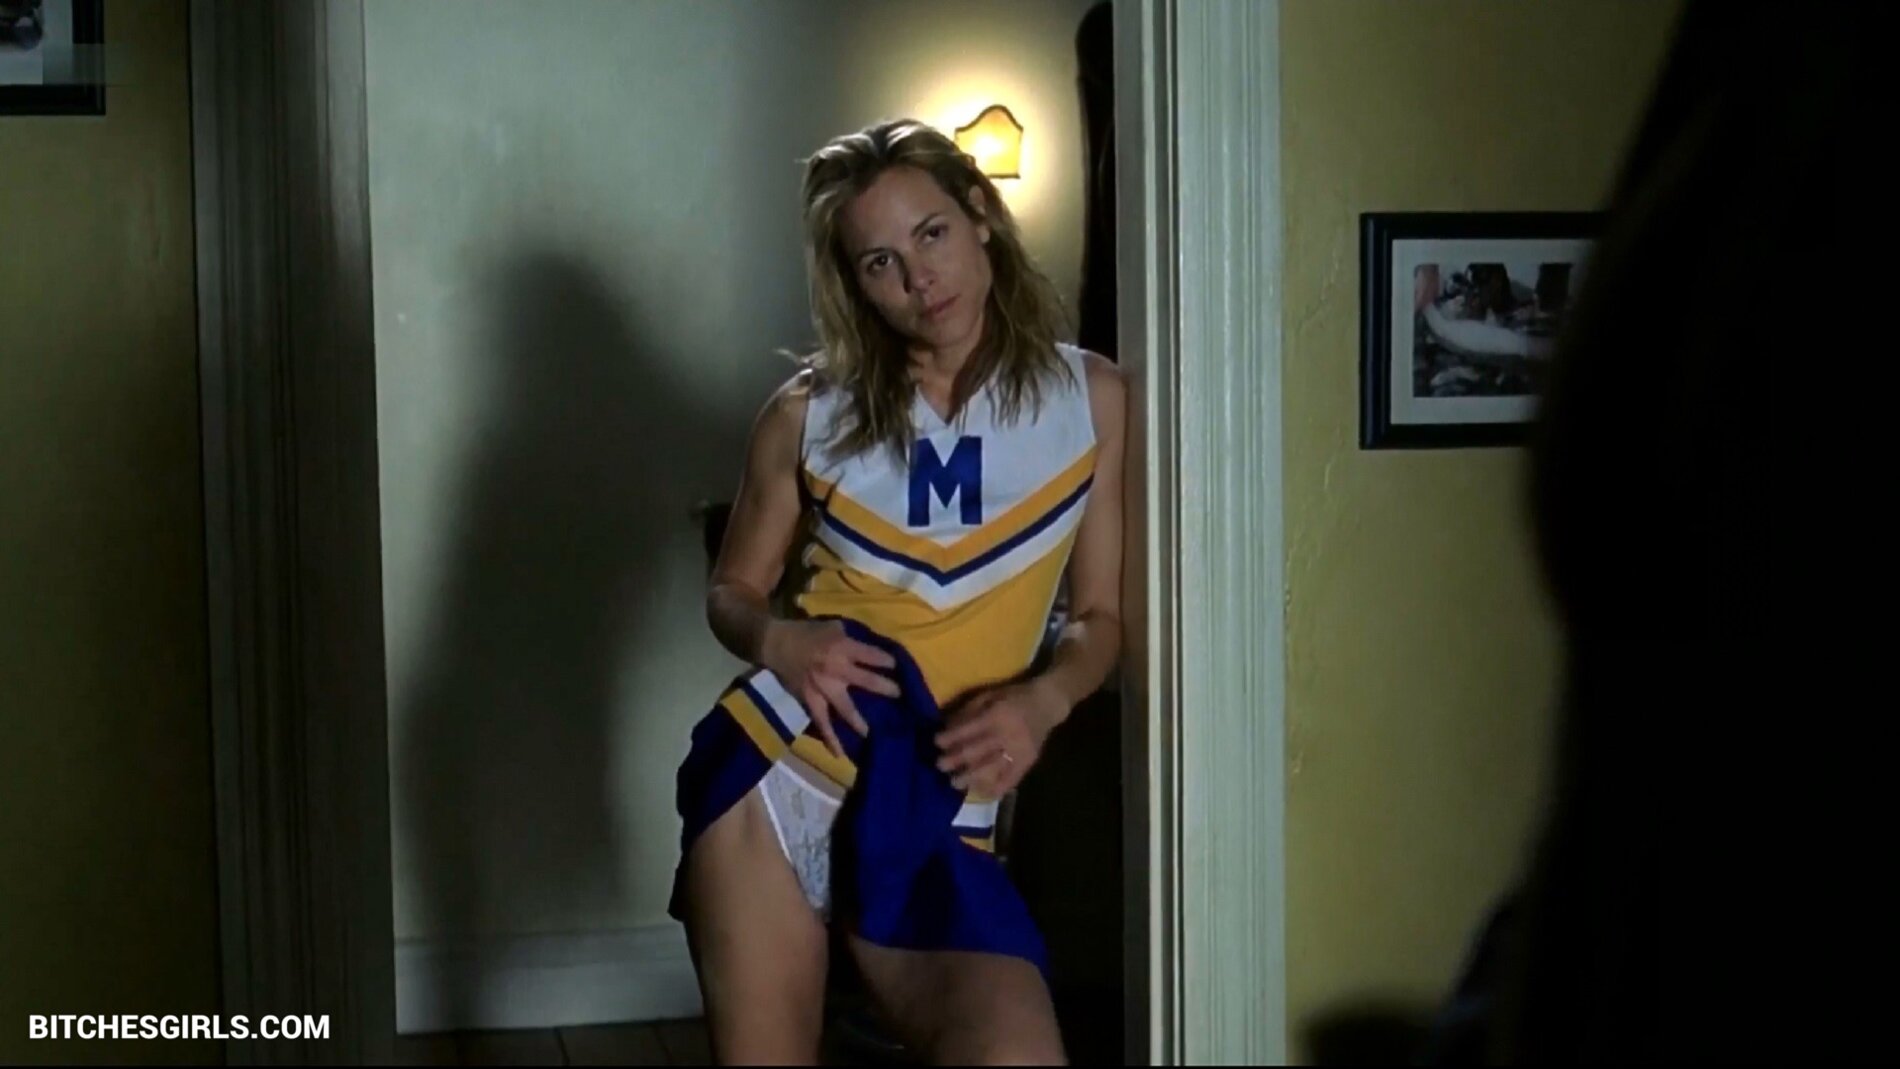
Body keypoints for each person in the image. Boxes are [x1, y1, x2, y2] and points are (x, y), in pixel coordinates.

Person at [668, 118, 1126, 1065]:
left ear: (981, 216)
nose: (920, 279)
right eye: (881, 262)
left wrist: (1045, 700)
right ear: (855, 282)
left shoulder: (1093, 400)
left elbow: (1100, 618)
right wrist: (780, 640)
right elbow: (732, 590)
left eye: (933, 234)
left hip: (941, 801)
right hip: (778, 776)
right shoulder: (806, 414)